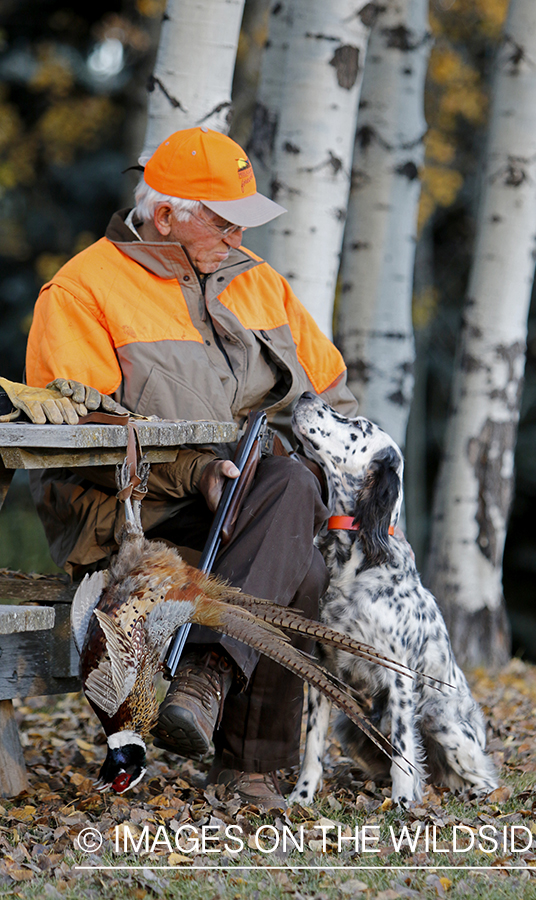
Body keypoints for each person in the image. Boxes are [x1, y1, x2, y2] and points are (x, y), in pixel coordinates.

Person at [25, 127, 358, 808]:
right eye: (224, 220)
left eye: (244, 220)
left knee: (293, 482)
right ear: (168, 214)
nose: (238, 235)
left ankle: (206, 675)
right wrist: (198, 474)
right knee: (303, 564)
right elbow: (75, 440)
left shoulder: (259, 284)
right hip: (138, 518)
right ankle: (247, 765)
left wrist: (363, 496)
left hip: (259, 505)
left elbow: (333, 400)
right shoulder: (81, 290)